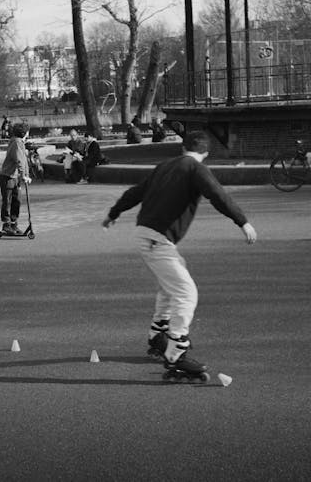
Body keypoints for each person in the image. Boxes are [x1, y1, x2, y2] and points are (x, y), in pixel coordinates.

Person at [102, 130, 257, 379]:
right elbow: (217, 195)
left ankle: (158, 333)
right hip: (157, 240)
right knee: (186, 293)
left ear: (182, 148)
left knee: (171, 284)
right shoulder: (196, 169)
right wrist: (243, 222)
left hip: (149, 235)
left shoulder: (164, 166)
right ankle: (176, 354)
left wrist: (114, 213)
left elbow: (136, 192)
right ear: (205, 153)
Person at [0, 123, 32, 234]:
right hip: (8, 177)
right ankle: (6, 224)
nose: (28, 133)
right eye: (27, 131)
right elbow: (19, 160)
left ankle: (14, 224)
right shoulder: (16, 143)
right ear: (24, 133)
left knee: (17, 200)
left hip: (15, 177)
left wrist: (25, 175)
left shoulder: (20, 143)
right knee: (7, 201)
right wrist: (23, 175)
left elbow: (24, 161)